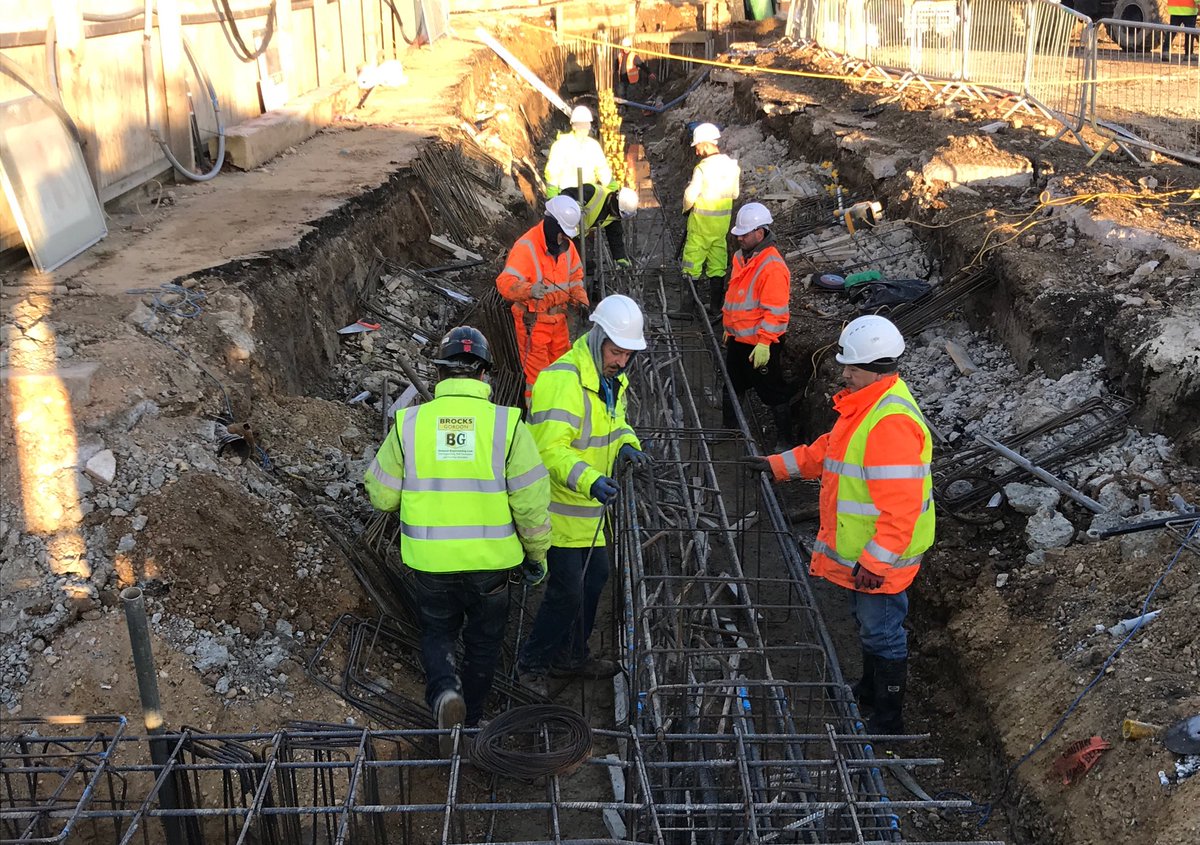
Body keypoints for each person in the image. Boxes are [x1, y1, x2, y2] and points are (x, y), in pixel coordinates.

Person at [363, 326, 552, 756]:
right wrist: (537, 555)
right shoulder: (508, 425)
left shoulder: (410, 423)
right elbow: (531, 504)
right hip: (491, 566)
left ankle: (446, 693)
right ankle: (473, 721)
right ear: (484, 375)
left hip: (430, 563)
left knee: (438, 633)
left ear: (441, 374)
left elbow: (381, 494)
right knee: (485, 644)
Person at [742, 315, 934, 734]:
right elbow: (828, 450)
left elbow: (901, 509)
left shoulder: (890, 424)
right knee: (869, 626)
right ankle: (868, 689)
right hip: (863, 554)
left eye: (851, 368)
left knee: (883, 632)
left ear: (876, 368)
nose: (843, 373)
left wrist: (876, 564)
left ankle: (888, 719)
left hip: (881, 560)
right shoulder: (865, 406)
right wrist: (777, 466)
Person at [517, 295, 651, 697]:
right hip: (558, 509)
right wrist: (590, 478)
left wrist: (628, 443)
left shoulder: (612, 380)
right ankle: (532, 664)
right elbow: (547, 449)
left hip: (590, 513)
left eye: (628, 354)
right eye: (616, 352)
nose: (622, 361)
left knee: (596, 580)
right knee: (566, 591)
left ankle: (572, 655)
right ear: (597, 339)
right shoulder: (562, 380)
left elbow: (617, 425)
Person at [496, 195, 588, 400]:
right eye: (562, 234)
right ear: (552, 225)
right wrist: (528, 290)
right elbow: (505, 282)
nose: (565, 239)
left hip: (559, 322)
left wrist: (580, 300)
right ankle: (536, 423)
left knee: (564, 373)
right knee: (538, 381)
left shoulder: (567, 247)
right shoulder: (526, 247)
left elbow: (575, 278)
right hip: (533, 325)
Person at [722, 202, 794, 451]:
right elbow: (735, 297)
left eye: (744, 234)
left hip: (761, 344)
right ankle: (729, 431)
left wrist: (765, 343)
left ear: (760, 233)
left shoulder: (772, 267)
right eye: (738, 233)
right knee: (732, 385)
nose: (739, 238)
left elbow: (776, 312)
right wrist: (729, 326)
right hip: (737, 339)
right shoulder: (741, 258)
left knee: (771, 391)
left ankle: (785, 440)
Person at [681, 122, 740, 300]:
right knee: (717, 265)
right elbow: (735, 194)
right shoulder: (732, 166)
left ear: (706, 144)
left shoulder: (703, 168)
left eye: (697, 147)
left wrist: (686, 209)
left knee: (691, 265)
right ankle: (715, 307)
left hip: (700, 228)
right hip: (720, 228)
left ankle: (688, 310)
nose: (697, 152)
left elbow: (690, 196)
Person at [560, 184, 639, 273]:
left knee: (585, 265)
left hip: (578, 235)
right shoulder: (593, 192)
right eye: (617, 213)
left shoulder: (613, 215)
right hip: (561, 228)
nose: (616, 216)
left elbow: (615, 235)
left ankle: (585, 284)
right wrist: (573, 204)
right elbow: (566, 193)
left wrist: (619, 256)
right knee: (561, 261)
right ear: (615, 202)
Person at [544, 105, 615, 198]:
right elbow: (552, 174)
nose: (583, 129)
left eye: (585, 125)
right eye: (580, 125)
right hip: (566, 195)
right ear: (573, 126)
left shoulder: (593, 146)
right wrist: (552, 198)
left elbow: (603, 170)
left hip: (588, 195)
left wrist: (614, 191)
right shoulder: (561, 145)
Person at [617, 35, 656, 102]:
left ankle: (629, 109)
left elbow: (642, 65)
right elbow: (617, 65)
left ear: (630, 46)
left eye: (627, 47)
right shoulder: (620, 55)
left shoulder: (634, 56)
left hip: (631, 82)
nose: (625, 49)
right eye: (624, 47)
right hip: (622, 80)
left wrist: (649, 73)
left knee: (630, 97)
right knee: (621, 95)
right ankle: (623, 108)